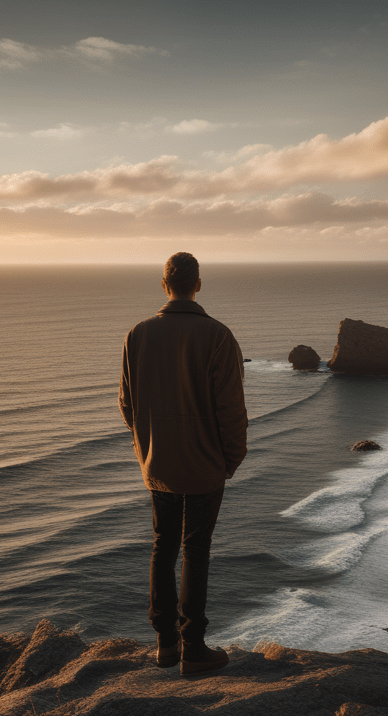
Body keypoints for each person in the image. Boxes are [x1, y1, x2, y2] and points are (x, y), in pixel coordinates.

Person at [118, 252, 248, 676]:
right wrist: (231, 458)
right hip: (206, 464)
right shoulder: (217, 336)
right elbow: (230, 408)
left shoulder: (137, 334)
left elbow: (126, 403)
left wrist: (146, 450)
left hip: (159, 464)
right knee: (196, 550)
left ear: (164, 285)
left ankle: (165, 645)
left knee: (163, 547)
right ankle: (194, 648)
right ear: (198, 285)